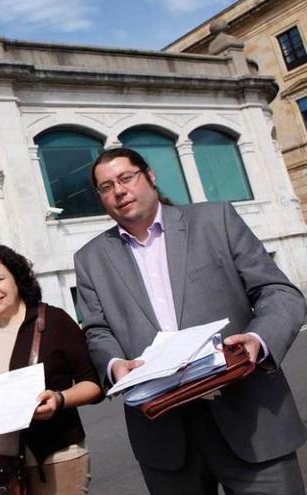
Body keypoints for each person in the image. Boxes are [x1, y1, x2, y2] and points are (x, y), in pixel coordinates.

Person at [74, 147, 307, 494]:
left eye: (126, 178)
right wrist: (114, 365)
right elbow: (97, 330)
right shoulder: (90, 259)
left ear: (150, 176)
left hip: (248, 416)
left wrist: (258, 340)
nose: (119, 191)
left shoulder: (216, 221)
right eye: (106, 187)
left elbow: (279, 292)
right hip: (164, 434)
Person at [0, 245, 101, 494]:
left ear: (17, 279)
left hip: (56, 457)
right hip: (1, 464)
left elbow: (93, 383)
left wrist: (59, 398)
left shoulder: (54, 321)